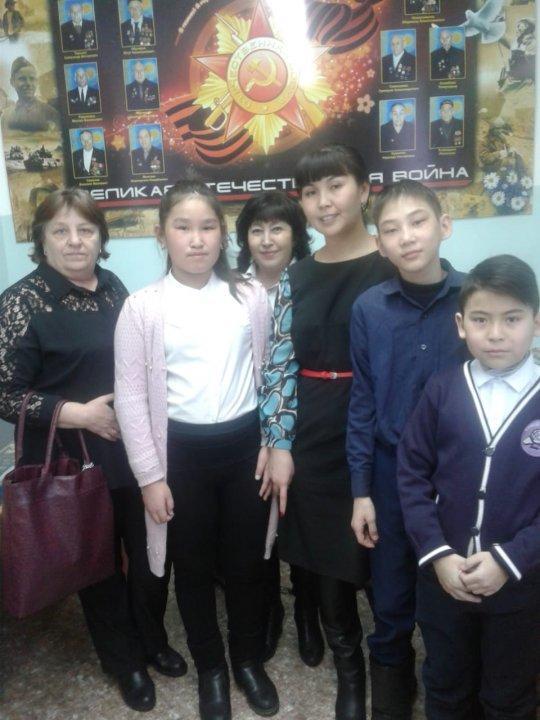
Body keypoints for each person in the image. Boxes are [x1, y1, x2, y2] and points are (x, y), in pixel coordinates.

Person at [0, 189, 186, 713]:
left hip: (130, 448)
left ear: (101, 238)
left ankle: (152, 639)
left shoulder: (114, 288)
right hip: (71, 458)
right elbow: (5, 393)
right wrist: (78, 413)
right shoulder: (22, 301)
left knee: (149, 552)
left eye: (85, 230)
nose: (75, 241)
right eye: (60, 231)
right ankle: (124, 661)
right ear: (41, 240)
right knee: (98, 562)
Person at [114, 180, 280, 720]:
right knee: (192, 567)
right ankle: (212, 668)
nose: (196, 239)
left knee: (248, 564)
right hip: (180, 456)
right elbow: (131, 398)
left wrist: (273, 441)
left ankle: (247, 660)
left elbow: (271, 375)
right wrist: (149, 477)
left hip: (245, 450)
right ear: (161, 234)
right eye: (182, 227)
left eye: (208, 226)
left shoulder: (250, 297)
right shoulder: (142, 308)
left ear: (222, 234)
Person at [260, 145, 393, 720]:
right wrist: (279, 443)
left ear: (363, 189)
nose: (323, 202)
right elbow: (278, 365)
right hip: (313, 429)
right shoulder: (296, 276)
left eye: (335, 186)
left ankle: (393, 664)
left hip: (382, 426)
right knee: (327, 555)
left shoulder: (394, 261)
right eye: (310, 192)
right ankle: (349, 672)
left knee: (387, 550)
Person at [397, 254, 540, 720]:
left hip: (521, 588)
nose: (496, 333)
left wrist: (509, 560)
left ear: (536, 322)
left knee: (509, 695)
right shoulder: (442, 389)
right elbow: (412, 473)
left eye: (512, 319)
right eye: (481, 319)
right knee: (445, 685)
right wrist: (438, 554)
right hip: (445, 581)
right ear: (461, 325)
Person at [347, 179, 466, 720]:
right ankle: (392, 681)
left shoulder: (475, 300)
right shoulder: (369, 308)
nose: (407, 237)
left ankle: (450, 687)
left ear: (444, 225)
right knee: (391, 591)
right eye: (392, 229)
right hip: (391, 472)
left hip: (459, 472)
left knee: (450, 591)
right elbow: (362, 402)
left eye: (418, 222)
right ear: (380, 245)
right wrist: (361, 490)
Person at [235, 191, 318, 666]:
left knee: (301, 517)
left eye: (278, 228)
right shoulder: (230, 289)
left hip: (304, 420)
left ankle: (307, 610)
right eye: (257, 230)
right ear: (245, 238)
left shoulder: (312, 280)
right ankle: (269, 609)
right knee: (254, 522)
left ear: (296, 234)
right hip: (247, 425)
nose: (267, 240)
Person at [1, 57, 60, 133]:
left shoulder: (50, 113)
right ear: (12, 82)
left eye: (32, 79)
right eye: (22, 79)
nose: (28, 83)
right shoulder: (6, 117)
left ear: (36, 82)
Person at [499, 18, 535, 90]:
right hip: (513, 76)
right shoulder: (515, 42)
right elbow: (503, 39)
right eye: (518, 27)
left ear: (527, 30)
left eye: (520, 28)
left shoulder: (532, 43)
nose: (517, 29)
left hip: (525, 78)